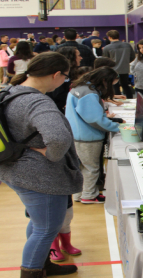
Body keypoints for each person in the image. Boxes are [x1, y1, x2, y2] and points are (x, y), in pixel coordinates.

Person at [0, 52, 82, 277]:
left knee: (39, 222)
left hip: (14, 168)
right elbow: (58, 138)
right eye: (65, 78)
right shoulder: (36, 100)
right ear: (56, 75)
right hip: (39, 174)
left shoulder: (10, 90)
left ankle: (42, 264)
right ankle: (31, 272)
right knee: (46, 229)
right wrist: (52, 154)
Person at [65, 67, 121, 203]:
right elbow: (94, 119)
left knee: (82, 166)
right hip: (87, 137)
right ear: (104, 80)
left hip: (76, 133)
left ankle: (80, 194)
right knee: (92, 167)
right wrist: (117, 127)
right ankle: (89, 195)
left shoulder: (81, 87)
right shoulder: (89, 93)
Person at [46, 46, 82, 114]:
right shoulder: (62, 73)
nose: (81, 58)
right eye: (78, 56)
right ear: (71, 58)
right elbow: (59, 94)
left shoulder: (70, 72)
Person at [102, 30, 135, 98]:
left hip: (113, 70)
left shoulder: (107, 47)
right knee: (125, 85)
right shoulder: (127, 45)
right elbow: (132, 56)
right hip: (124, 69)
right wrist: (125, 62)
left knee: (115, 86)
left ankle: (118, 101)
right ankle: (130, 100)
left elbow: (105, 59)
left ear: (109, 37)